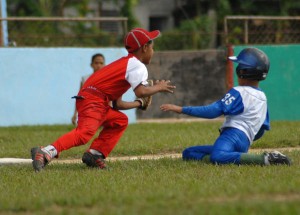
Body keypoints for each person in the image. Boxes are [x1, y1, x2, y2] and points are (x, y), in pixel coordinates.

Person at [31, 28, 176, 172]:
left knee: (120, 121)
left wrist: (139, 103)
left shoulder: (124, 65)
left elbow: (118, 104)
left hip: (92, 99)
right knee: (84, 133)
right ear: (145, 47)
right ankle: (46, 152)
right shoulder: (137, 65)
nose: (153, 51)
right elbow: (141, 91)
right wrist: (159, 87)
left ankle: (94, 154)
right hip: (94, 100)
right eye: (152, 47)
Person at [160, 47, 291, 166]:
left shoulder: (240, 91)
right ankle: (234, 158)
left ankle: (265, 159)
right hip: (245, 142)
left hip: (232, 135)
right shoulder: (262, 97)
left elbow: (213, 111)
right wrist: (247, 138)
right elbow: (262, 128)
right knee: (189, 153)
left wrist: (181, 109)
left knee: (217, 156)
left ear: (243, 71)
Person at [72, 53, 106, 125]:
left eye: (101, 63)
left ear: (104, 65)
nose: (99, 65)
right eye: (96, 63)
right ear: (91, 64)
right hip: (88, 111)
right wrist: (75, 114)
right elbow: (79, 98)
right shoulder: (85, 79)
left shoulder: (107, 79)